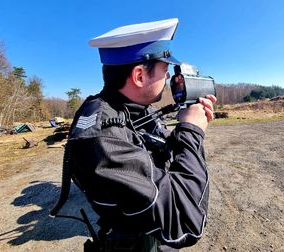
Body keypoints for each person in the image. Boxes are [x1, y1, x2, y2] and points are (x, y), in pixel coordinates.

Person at [67, 18, 217, 251]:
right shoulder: (103, 139)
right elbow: (185, 222)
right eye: (164, 70)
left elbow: (160, 149)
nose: (168, 78)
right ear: (139, 76)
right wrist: (192, 131)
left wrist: (187, 121)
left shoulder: (132, 106)